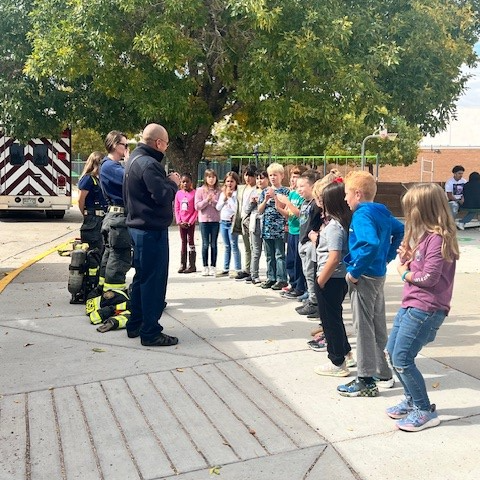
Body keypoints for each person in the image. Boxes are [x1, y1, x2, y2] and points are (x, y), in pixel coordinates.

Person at [386, 183, 459, 431]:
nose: (407, 215)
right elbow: (417, 268)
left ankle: (424, 409)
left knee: (403, 359)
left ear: (424, 209)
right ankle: (411, 399)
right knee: (393, 352)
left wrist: (404, 273)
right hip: (412, 303)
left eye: (411, 209)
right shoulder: (425, 237)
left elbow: (429, 279)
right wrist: (407, 256)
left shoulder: (438, 239)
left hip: (426, 308)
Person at [337, 171, 404, 397]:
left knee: (363, 327)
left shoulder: (362, 215)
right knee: (376, 325)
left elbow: (369, 243)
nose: (345, 199)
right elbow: (399, 230)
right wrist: (386, 257)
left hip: (364, 276)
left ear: (357, 194)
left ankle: (365, 379)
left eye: (347, 194)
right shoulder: (381, 211)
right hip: (377, 274)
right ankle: (384, 373)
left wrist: (355, 271)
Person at [123, 123, 181, 347]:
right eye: (166, 144)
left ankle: (135, 323)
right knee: (153, 282)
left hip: (138, 228)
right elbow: (162, 195)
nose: (166, 148)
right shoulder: (149, 164)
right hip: (150, 230)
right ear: (158, 143)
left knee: (141, 279)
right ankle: (150, 331)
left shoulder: (134, 160)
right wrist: (173, 182)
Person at [312, 181, 354, 376]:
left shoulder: (335, 226)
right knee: (334, 318)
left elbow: (334, 256)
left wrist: (320, 280)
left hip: (330, 278)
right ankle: (345, 352)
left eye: (323, 199)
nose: (320, 203)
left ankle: (337, 361)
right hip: (334, 278)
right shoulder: (337, 223)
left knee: (330, 321)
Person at [98, 131, 131, 292]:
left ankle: (104, 291)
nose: (127, 148)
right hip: (118, 218)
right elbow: (131, 178)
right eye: (124, 145)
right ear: (114, 145)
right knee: (119, 259)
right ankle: (113, 294)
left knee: (110, 256)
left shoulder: (112, 166)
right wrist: (129, 162)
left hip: (115, 217)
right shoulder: (110, 166)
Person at [257, 163, 290, 290]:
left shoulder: (285, 191)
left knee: (279, 254)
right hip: (266, 227)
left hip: (279, 228)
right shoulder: (264, 191)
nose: (272, 178)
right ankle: (271, 277)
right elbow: (259, 210)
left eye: (275, 175)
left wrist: (275, 197)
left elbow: (284, 208)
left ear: (281, 176)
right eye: (270, 175)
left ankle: (281, 278)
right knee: (269, 255)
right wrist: (265, 200)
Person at [276, 166, 307, 299]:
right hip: (292, 231)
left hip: (300, 231)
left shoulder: (300, 196)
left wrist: (287, 202)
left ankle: (300, 287)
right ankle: (293, 284)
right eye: (292, 176)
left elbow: (300, 214)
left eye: (296, 176)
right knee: (290, 260)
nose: (293, 179)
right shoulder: (292, 193)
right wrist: (278, 203)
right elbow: (289, 215)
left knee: (298, 262)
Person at [294, 170, 322, 314]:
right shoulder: (305, 203)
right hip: (302, 240)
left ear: (312, 186)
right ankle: (311, 298)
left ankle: (315, 302)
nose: (298, 189)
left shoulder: (316, 205)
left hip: (311, 243)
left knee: (311, 274)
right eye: (297, 186)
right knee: (306, 272)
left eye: (302, 186)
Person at [77, 151, 108, 251]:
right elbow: (80, 200)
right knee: (95, 250)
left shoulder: (99, 179)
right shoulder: (88, 179)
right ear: (95, 164)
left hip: (102, 218)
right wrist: (86, 214)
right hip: (93, 219)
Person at [233, 165, 258, 281]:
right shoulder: (242, 188)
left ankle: (252, 270)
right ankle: (247, 269)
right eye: (246, 175)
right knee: (247, 247)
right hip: (242, 218)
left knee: (253, 246)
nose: (248, 178)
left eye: (251, 175)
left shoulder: (257, 189)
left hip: (251, 219)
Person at [195, 169, 221, 276]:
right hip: (204, 221)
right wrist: (206, 200)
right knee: (205, 244)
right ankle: (205, 266)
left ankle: (213, 265)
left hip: (215, 220)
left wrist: (213, 201)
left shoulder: (219, 191)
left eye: (213, 177)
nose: (211, 179)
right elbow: (197, 206)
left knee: (214, 244)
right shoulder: (200, 190)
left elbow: (220, 206)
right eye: (209, 177)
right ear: (205, 178)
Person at [216, 171, 241, 277]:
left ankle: (238, 268)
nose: (230, 183)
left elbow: (236, 208)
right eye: (228, 181)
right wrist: (225, 199)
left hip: (232, 222)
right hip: (223, 221)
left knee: (234, 244)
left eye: (232, 181)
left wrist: (230, 198)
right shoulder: (222, 193)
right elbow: (218, 207)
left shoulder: (237, 194)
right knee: (226, 246)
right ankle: (225, 268)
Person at [246, 170, 269, 285]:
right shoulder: (253, 192)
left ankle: (271, 275)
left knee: (269, 251)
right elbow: (246, 210)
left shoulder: (270, 191)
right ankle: (253, 274)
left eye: (262, 178)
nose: (260, 181)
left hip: (268, 223)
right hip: (256, 223)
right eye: (258, 178)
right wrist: (252, 202)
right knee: (256, 250)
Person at [174, 173, 198, 273]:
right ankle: (182, 263)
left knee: (190, 241)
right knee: (183, 242)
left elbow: (196, 210)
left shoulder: (194, 193)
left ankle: (192, 264)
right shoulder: (178, 194)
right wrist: (179, 221)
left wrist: (191, 221)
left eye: (187, 182)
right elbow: (177, 208)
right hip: (182, 222)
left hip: (190, 222)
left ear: (191, 183)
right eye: (183, 182)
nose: (185, 184)